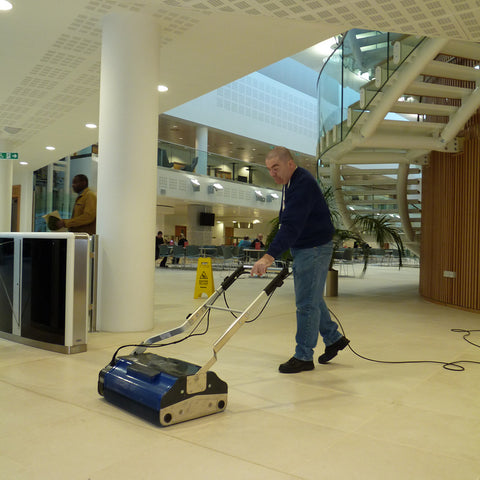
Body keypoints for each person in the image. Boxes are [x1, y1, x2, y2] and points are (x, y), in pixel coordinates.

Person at [250, 146, 349, 374]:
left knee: (306, 304)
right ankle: (333, 339)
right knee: (312, 297)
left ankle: (304, 356)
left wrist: (268, 256)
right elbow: (288, 222)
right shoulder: (290, 183)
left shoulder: (301, 184)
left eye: (276, 168)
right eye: (269, 169)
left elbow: (291, 225)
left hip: (313, 248)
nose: (272, 173)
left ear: (290, 164)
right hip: (306, 247)